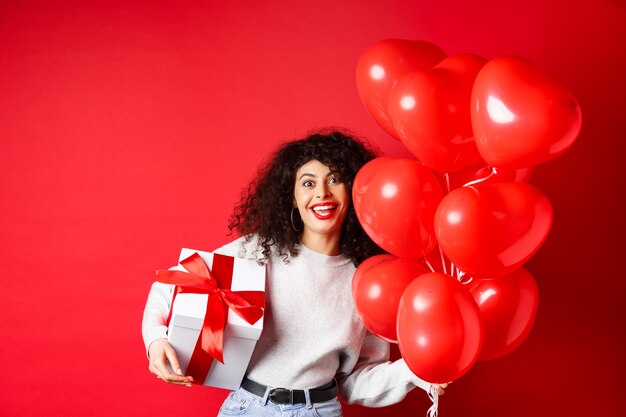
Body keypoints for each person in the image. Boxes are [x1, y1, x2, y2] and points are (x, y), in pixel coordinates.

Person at [142, 130, 448, 416]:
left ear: (354, 191)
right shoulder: (260, 250)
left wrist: (415, 371)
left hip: (318, 410)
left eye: (335, 179)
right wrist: (156, 340)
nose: (322, 194)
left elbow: (356, 381)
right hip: (247, 407)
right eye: (309, 183)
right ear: (292, 196)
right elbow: (171, 284)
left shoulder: (370, 280)